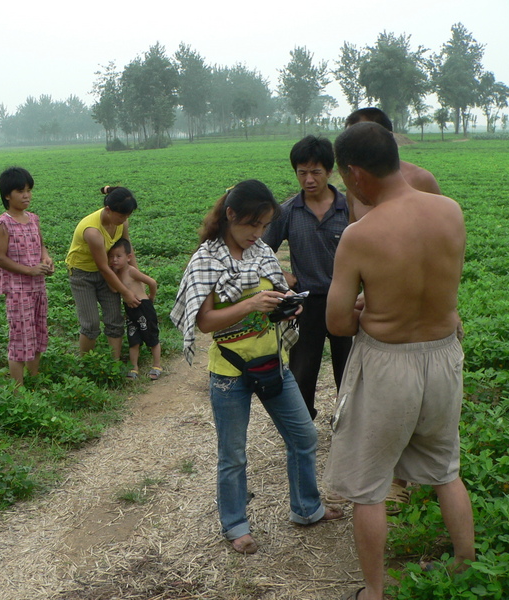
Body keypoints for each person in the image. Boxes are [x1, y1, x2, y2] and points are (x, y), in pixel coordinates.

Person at [324, 123, 475, 600]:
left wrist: (370, 308)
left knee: (368, 487)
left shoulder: (360, 235)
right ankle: (465, 567)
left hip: (389, 366)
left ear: (355, 173)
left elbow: (338, 323)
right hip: (443, 356)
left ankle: (374, 590)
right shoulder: (450, 212)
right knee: (446, 470)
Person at [171, 180, 343, 555]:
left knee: (304, 437)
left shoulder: (263, 252)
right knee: (232, 454)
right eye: (252, 224)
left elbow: (276, 294)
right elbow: (205, 322)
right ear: (230, 215)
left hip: (273, 362)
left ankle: (306, 508)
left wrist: (287, 304)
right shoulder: (206, 259)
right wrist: (250, 305)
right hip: (231, 373)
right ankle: (235, 525)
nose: (258, 234)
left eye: (264, 225)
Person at [262, 135, 352, 420]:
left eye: (315, 172)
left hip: (346, 300)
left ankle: (348, 421)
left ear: (329, 171)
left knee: (349, 368)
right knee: (303, 369)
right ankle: (302, 425)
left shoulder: (349, 209)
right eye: (302, 172)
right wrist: (282, 274)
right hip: (306, 303)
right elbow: (262, 252)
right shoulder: (288, 212)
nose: (309, 179)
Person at [0, 166, 54, 385]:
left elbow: (41, 246)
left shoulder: (33, 219)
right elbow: (0, 258)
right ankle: (18, 391)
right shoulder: (3, 224)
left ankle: (34, 379)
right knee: (20, 339)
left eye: (28, 190)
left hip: (38, 287)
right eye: (20, 191)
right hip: (17, 291)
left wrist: (46, 260)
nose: (26, 195)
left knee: (38, 332)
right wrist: (29, 270)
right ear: (7, 195)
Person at [66, 185, 139, 361]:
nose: (125, 219)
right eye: (122, 215)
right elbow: (103, 268)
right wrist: (126, 292)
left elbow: (128, 252)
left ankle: (113, 363)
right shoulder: (92, 231)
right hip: (82, 275)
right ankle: (87, 363)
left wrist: (135, 280)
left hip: (109, 270)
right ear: (108, 210)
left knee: (114, 319)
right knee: (90, 324)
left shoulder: (122, 223)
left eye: (128, 215)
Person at [344, 107, 441, 223]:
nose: (355, 146)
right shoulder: (354, 187)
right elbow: (354, 234)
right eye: (350, 140)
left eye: (362, 137)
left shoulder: (422, 180)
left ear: (388, 136)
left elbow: (439, 229)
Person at [107, 237, 162, 380]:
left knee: (151, 336)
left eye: (118, 256)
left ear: (129, 257)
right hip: (130, 311)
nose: (115, 260)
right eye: (111, 257)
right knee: (133, 338)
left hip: (143, 306)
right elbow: (113, 289)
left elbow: (152, 282)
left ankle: (157, 365)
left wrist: (151, 297)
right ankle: (134, 367)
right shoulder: (116, 274)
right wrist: (111, 271)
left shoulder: (131, 271)